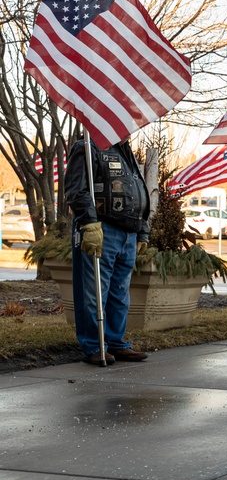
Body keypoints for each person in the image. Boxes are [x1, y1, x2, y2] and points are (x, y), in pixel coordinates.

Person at [64, 138, 151, 366]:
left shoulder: (123, 150)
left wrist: (142, 229)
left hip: (127, 231)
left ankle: (115, 342)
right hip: (101, 227)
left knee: (119, 293)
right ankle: (94, 345)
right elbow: (76, 189)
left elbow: (136, 189)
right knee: (94, 292)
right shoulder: (88, 146)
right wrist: (89, 222)